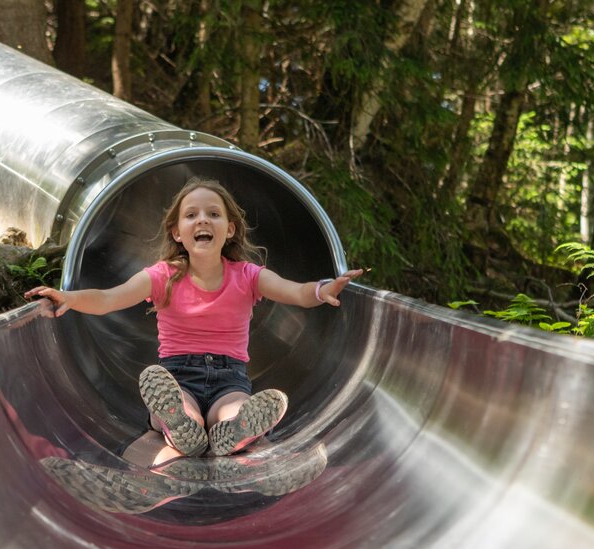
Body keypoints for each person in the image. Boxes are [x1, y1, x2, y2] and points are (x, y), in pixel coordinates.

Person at [25, 178, 363, 461]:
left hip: (229, 378)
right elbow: (109, 298)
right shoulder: (163, 276)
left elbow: (296, 292)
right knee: (181, 409)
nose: (203, 220)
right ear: (177, 232)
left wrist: (322, 290)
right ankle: (180, 426)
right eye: (191, 215)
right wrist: (69, 298)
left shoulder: (248, 275)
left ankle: (237, 431)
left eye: (213, 214)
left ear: (230, 229)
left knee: (234, 408)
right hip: (177, 377)